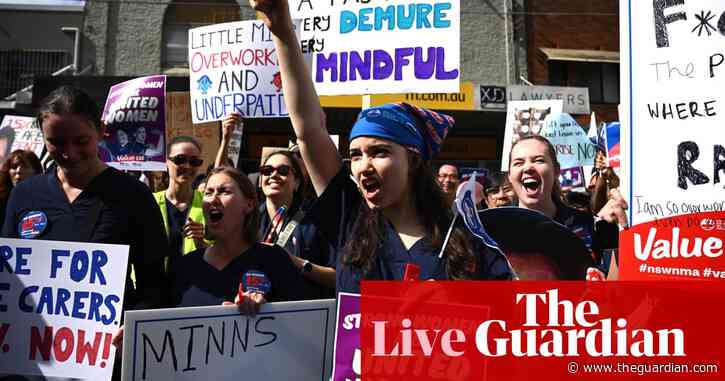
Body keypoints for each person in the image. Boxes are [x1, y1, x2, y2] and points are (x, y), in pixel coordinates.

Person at [251, 0, 513, 293]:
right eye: (355, 155)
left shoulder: (464, 239)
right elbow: (309, 130)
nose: (363, 165)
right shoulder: (350, 218)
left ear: (413, 160)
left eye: (379, 152)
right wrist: (283, 31)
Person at [1, 85, 168, 312]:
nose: (69, 153)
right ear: (42, 134)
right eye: (57, 142)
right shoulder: (24, 194)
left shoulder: (134, 196)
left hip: (107, 342)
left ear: (101, 131)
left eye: (81, 141)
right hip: (32, 341)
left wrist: (132, 325)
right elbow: (8, 276)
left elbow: (154, 285)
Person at [168, 166, 307, 309]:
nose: (213, 200)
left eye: (224, 192)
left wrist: (267, 309)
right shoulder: (185, 267)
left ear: (248, 205)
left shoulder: (274, 260)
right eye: (208, 193)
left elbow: (299, 321)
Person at [507, 135, 625, 261]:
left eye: (538, 160)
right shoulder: (493, 229)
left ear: (556, 170)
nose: (528, 168)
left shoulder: (587, 225)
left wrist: (618, 231)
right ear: (509, 175)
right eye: (518, 163)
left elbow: (609, 277)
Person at [153, 136, 207, 268]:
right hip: (154, 285)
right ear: (166, 162)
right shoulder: (148, 202)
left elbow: (222, 253)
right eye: (180, 159)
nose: (187, 166)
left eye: (194, 162)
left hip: (195, 285)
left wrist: (201, 242)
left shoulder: (209, 204)